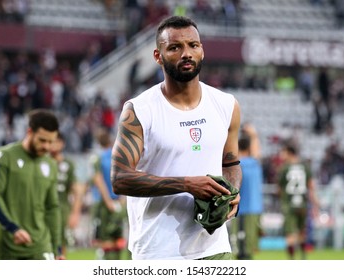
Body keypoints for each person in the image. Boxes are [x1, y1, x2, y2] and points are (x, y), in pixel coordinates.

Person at [110, 15, 242, 260]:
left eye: (193, 45)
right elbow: (119, 179)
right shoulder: (139, 110)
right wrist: (187, 184)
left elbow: (230, 163)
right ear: (158, 56)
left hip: (215, 248)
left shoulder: (226, 105)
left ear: (202, 50)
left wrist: (232, 192)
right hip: (158, 250)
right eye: (175, 47)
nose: (186, 53)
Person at [0, 109, 63, 260]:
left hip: (41, 247)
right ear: (30, 132)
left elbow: (52, 208)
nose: (47, 146)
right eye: (42, 140)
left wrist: (57, 249)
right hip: (7, 247)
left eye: (51, 141)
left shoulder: (51, 165)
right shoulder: (5, 157)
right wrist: (12, 228)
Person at [276, 142, 319, 260]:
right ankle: (303, 259)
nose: (282, 155)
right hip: (303, 203)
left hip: (289, 204)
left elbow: (279, 189)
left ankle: (291, 261)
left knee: (289, 234)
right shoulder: (305, 166)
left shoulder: (284, 168)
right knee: (302, 233)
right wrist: (315, 203)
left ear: (289, 153)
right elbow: (311, 186)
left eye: (283, 152)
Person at [89, 127, 127, 260]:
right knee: (117, 235)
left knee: (105, 237)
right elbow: (124, 177)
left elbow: (97, 179)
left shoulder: (97, 157)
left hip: (104, 202)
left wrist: (108, 201)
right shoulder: (117, 155)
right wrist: (122, 199)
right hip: (117, 200)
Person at [230, 123, 263, 260]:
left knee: (239, 250)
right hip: (254, 210)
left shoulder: (235, 166)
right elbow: (257, 153)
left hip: (238, 210)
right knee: (248, 250)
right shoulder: (255, 163)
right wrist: (254, 135)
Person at [49, 132, 84, 257]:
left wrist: (75, 213)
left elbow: (78, 191)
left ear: (62, 144)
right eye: (51, 141)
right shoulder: (41, 162)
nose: (53, 145)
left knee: (61, 245)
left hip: (62, 210)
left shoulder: (68, 165)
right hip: (42, 210)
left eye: (56, 141)